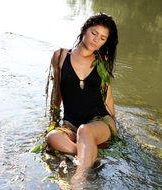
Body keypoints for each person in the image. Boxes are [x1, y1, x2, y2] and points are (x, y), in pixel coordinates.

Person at [45, 12, 118, 182]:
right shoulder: (61, 56)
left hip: (99, 121)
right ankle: (89, 153)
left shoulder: (103, 60)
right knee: (52, 137)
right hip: (71, 124)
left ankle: (78, 179)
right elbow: (57, 92)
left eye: (102, 38)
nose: (96, 40)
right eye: (94, 33)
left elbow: (107, 96)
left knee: (85, 130)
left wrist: (114, 123)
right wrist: (54, 119)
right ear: (84, 29)